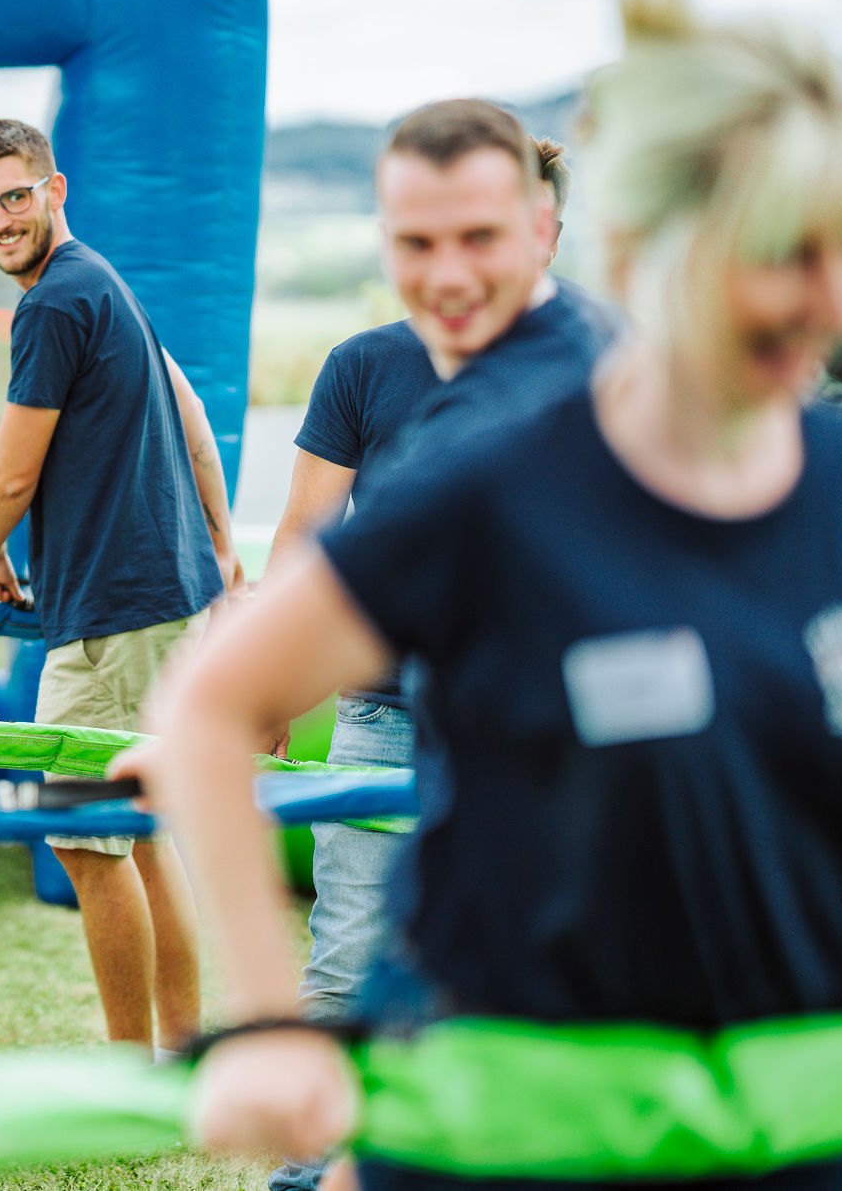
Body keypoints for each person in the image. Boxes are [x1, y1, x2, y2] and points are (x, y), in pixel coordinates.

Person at [148, 0, 842, 1191]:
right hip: (504, 1118)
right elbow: (202, 708)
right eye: (780, 255)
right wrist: (266, 1022)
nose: (828, 296)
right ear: (641, 254)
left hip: (781, 1132)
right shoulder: (491, 489)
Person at [257, 110, 613, 1191]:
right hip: (378, 714)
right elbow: (304, 533)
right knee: (346, 954)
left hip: (536, 727)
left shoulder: (605, 361)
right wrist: (268, 685)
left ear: (542, 230)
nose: (449, 271)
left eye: (481, 237)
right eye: (417, 243)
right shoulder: (363, 366)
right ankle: (308, 1172)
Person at [0, 118, 237, 1057]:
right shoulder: (103, 281)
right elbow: (192, 414)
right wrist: (222, 551)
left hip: (117, 615)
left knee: (85, 839)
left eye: (13, 196)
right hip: (168, 596)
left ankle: (130, 1068)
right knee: (144, 833)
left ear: (54, 189)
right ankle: (179, 1050)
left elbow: (8, 473)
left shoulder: (53, 303)